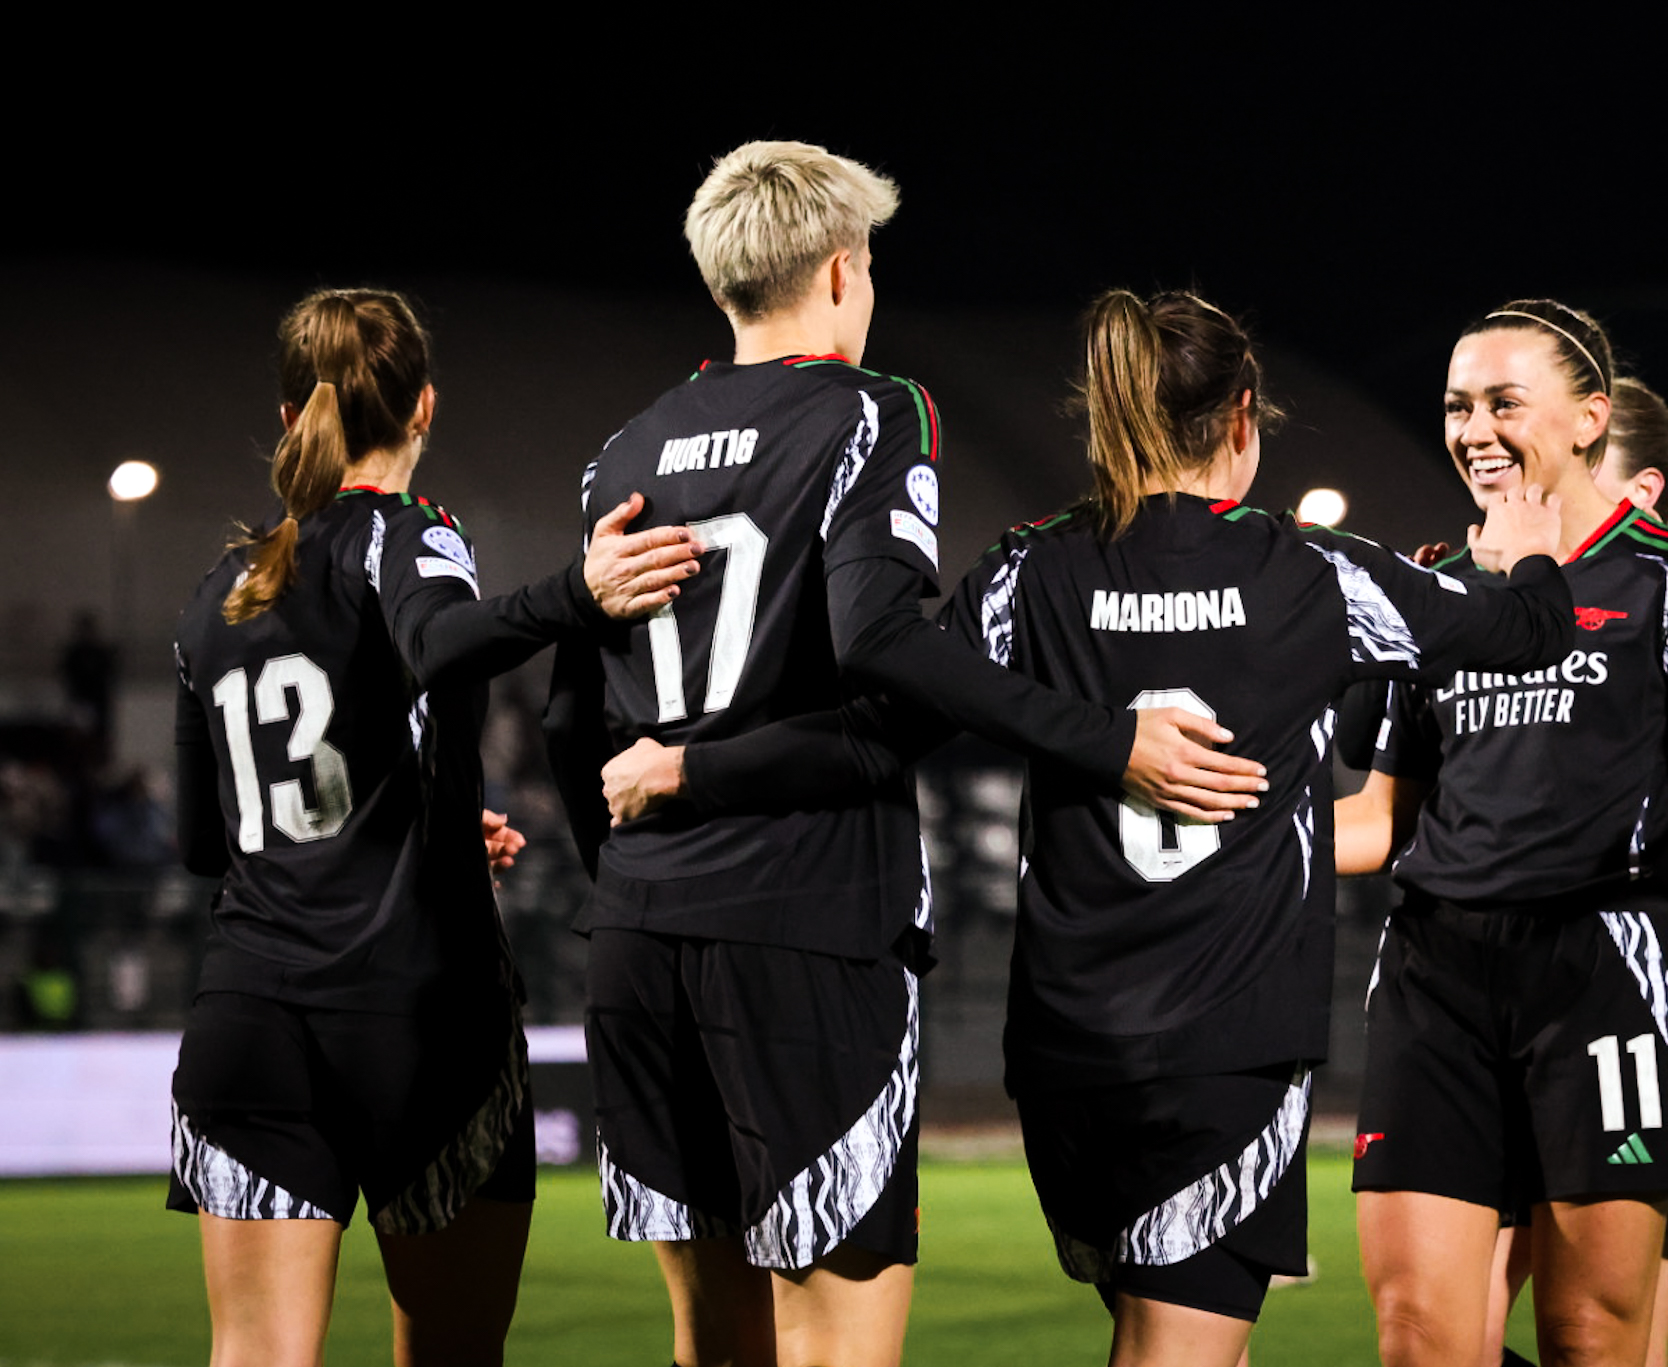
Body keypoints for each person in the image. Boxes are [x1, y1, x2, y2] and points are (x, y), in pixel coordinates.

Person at [602, 285, 1578, 1367]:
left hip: (1068, 1055)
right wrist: (1525, 551)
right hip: (1227, 1048)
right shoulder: (1309, 573)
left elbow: (871, 732)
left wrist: (690, 765)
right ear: (1242, 416)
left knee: (1157, 1328)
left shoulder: (1032, 566)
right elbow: (1528, 633)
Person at [543, 144, 1269, 1367]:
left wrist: (620, 877)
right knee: (834, 1334)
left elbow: (571, 720)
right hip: (809, 923)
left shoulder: (623, 450)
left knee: (710, 1341)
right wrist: (1107, 740)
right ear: (840, 270)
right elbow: (877, 640)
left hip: (639, 932)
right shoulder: (874, 409)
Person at [169, 286, 698, 1367]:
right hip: (418, 1020)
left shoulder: (217, 590)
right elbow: (441, 640)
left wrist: (427, 816)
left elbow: (203, 843)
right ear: (424, 410)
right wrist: (577, 592)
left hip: (251, 1019)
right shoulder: (410, 534)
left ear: (285, 417)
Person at [1338, 301, 1668, 1367]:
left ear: (1588, 419)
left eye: (1501, 402)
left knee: (1587, 1334)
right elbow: (1374, 818)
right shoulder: (1432, 577)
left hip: (1604, 969)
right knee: (1415, 1337)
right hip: (1434, 972)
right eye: (1455, 405)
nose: (1473, 428)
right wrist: (1226, 830)